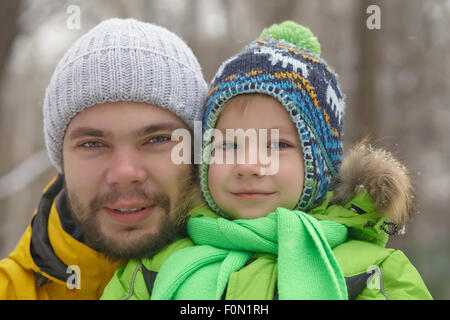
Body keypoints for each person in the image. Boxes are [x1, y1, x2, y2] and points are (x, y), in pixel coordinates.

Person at [101, 21, 432, 300]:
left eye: (276, 145)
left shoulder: (375, 276)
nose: (248, 165)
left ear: (320, 165)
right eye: (228, 145)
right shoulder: (149, 271)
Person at [0, 18, 208, 299]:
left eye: (157, 139)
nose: (124, 172)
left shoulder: (268, 282)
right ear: (62, 159)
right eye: (93, 143)